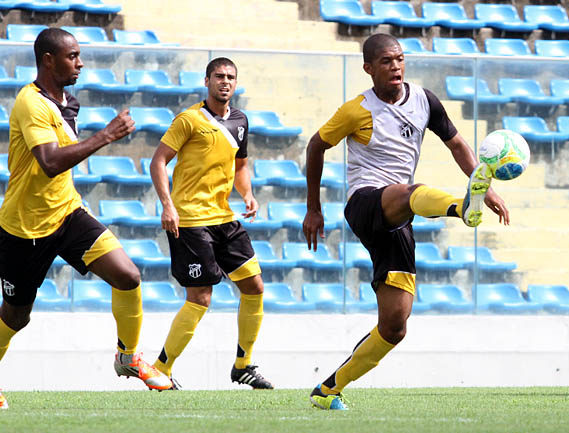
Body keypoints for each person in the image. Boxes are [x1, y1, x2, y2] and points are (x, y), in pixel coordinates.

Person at [302, 33, 509, 410]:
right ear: (369, 69)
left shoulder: (425, 100)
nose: (395, 65)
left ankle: (329, 389)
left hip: (398, 218)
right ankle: (462, 208)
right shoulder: (356, 110)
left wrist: (485, 185)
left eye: (399, 59)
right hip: (365, 202)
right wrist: (313, 207)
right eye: (386, 61)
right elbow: (316, 145)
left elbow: (458, 145)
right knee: (410, 191)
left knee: (394, 327)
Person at [0, 28, 173, 408]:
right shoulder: (31, 103)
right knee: (15, 318)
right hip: (25, 228)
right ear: (48, 60)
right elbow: (47, 163)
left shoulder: (67, 101)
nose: (80, 62)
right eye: (72, 56)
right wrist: (105, 136)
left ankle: (127, 357)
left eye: (79, 55)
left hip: (67, 213)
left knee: (128, 275)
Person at [149, 57, 272, 390]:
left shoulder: (241, 120)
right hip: (189, 220)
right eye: (219, 76)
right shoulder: (189, 119)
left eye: (231, 77)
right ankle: (161, 368)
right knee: (200, 297)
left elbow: (241, 164)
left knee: (254, 287)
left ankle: (243, 365)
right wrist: (168, 205)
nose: (226, 81)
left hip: (224, 218)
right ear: (207, 81)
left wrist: (247, 194)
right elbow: (158, 161)